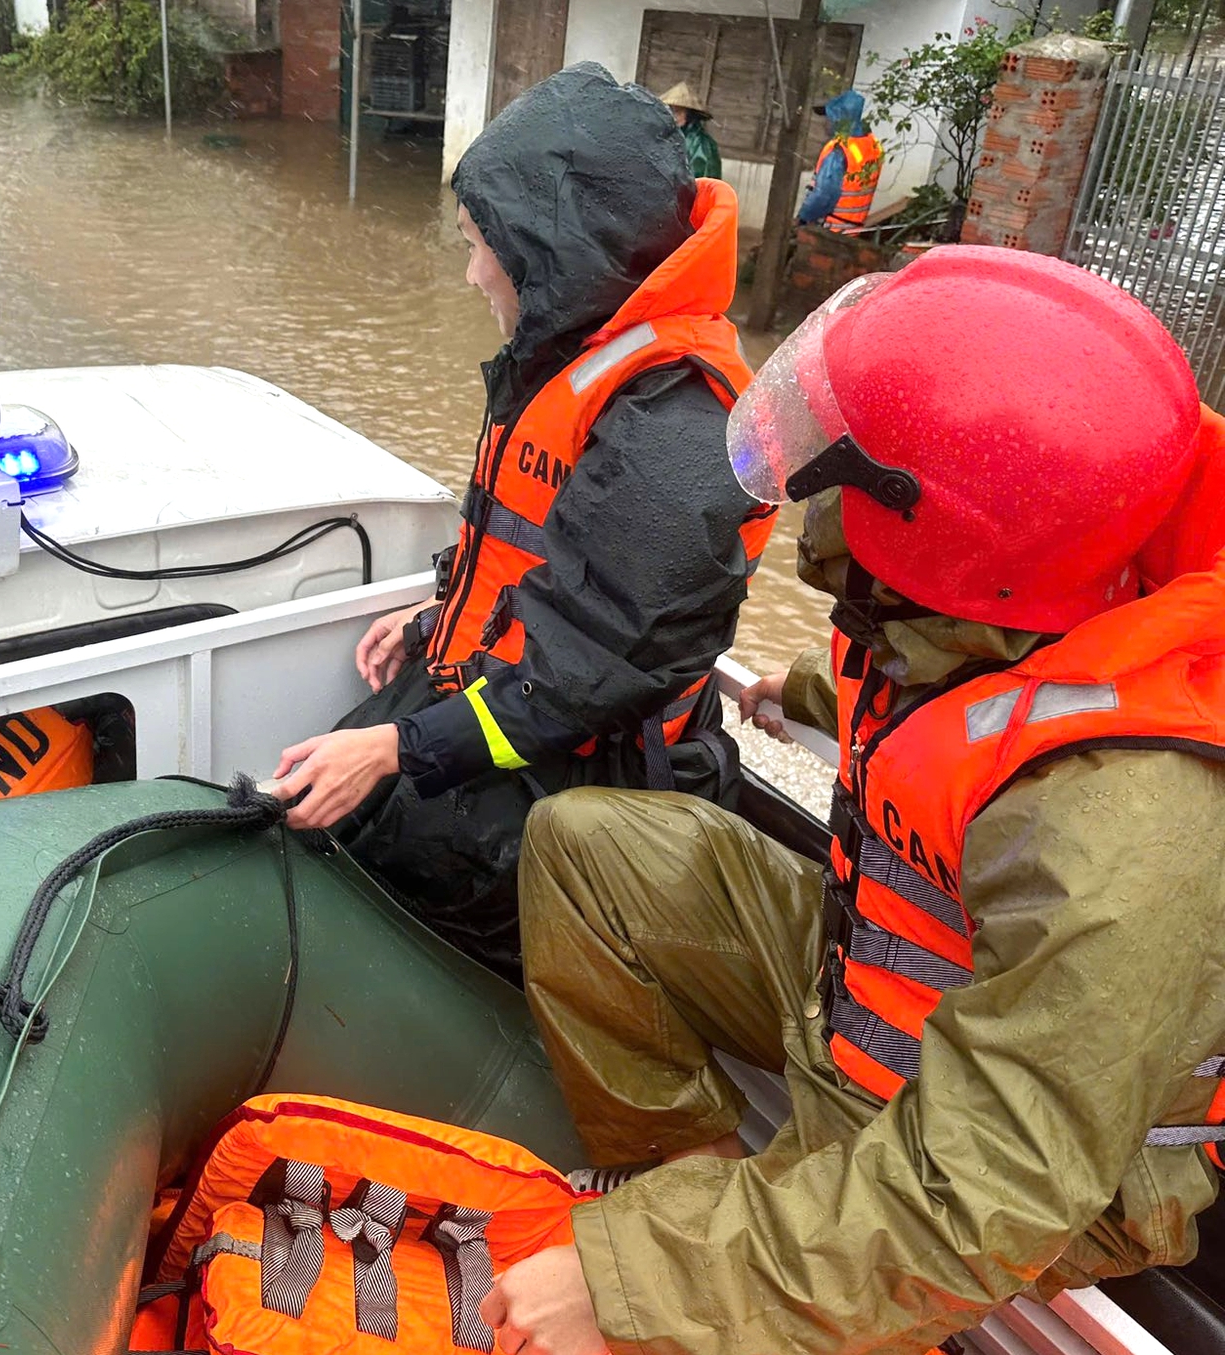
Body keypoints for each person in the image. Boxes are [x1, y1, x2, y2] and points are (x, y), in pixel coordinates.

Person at [485, 245, 1225, 1355]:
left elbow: (982, 1196)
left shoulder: (1124, 828)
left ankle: (694, 1264)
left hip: (1013, 1156)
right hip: (869, 991)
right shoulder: (999, 601)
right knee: (590, 846)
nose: (808, 488)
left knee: (680, 1299)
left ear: (932, 528)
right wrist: (793, 693)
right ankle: (697, 1172)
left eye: (834, 459)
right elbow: (947, 698)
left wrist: (629, 1282)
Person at [268, 64, 774, 974]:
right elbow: (535, 553)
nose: (471, 275)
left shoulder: (676, 420)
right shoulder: (581, 346)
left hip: (585, 768)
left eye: (481, 245)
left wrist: (396, 747)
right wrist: (441, 616)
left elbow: (590, 672)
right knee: (306, 807)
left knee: (368, 873)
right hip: (509, 710)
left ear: (557, 250)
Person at [797, 88, 882, 232]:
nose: (825, 123)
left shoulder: (838, 153)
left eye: (828, 118)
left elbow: (823, 197)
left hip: (831, 228)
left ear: (838, 120)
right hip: (853, 227)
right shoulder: (872, 144)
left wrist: (802, 218)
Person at [658, 81, 722, 180]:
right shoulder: (665, 135)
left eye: (678, 112)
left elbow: (703, 180)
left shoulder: (702, 144)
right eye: (670, 111)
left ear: (689, 114)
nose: (673, 117)